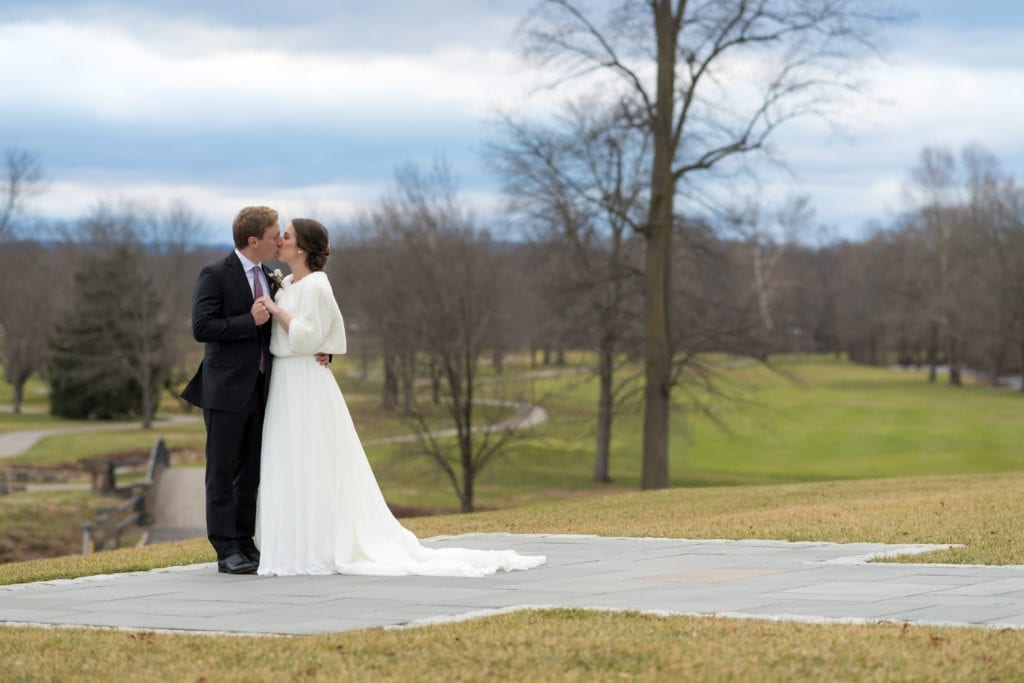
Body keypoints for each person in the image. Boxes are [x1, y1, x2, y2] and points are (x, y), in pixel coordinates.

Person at [254, 219, 545, 577]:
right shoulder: (288, 284)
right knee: (290, 457)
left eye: (287, 236)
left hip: (305, 382)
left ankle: (322, 544)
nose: (280, 240)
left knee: (314, 457)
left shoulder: (316, 285)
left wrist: (280, 312)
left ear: (301, 248)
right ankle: (293, 542)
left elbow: (312, 335)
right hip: (286, 380)